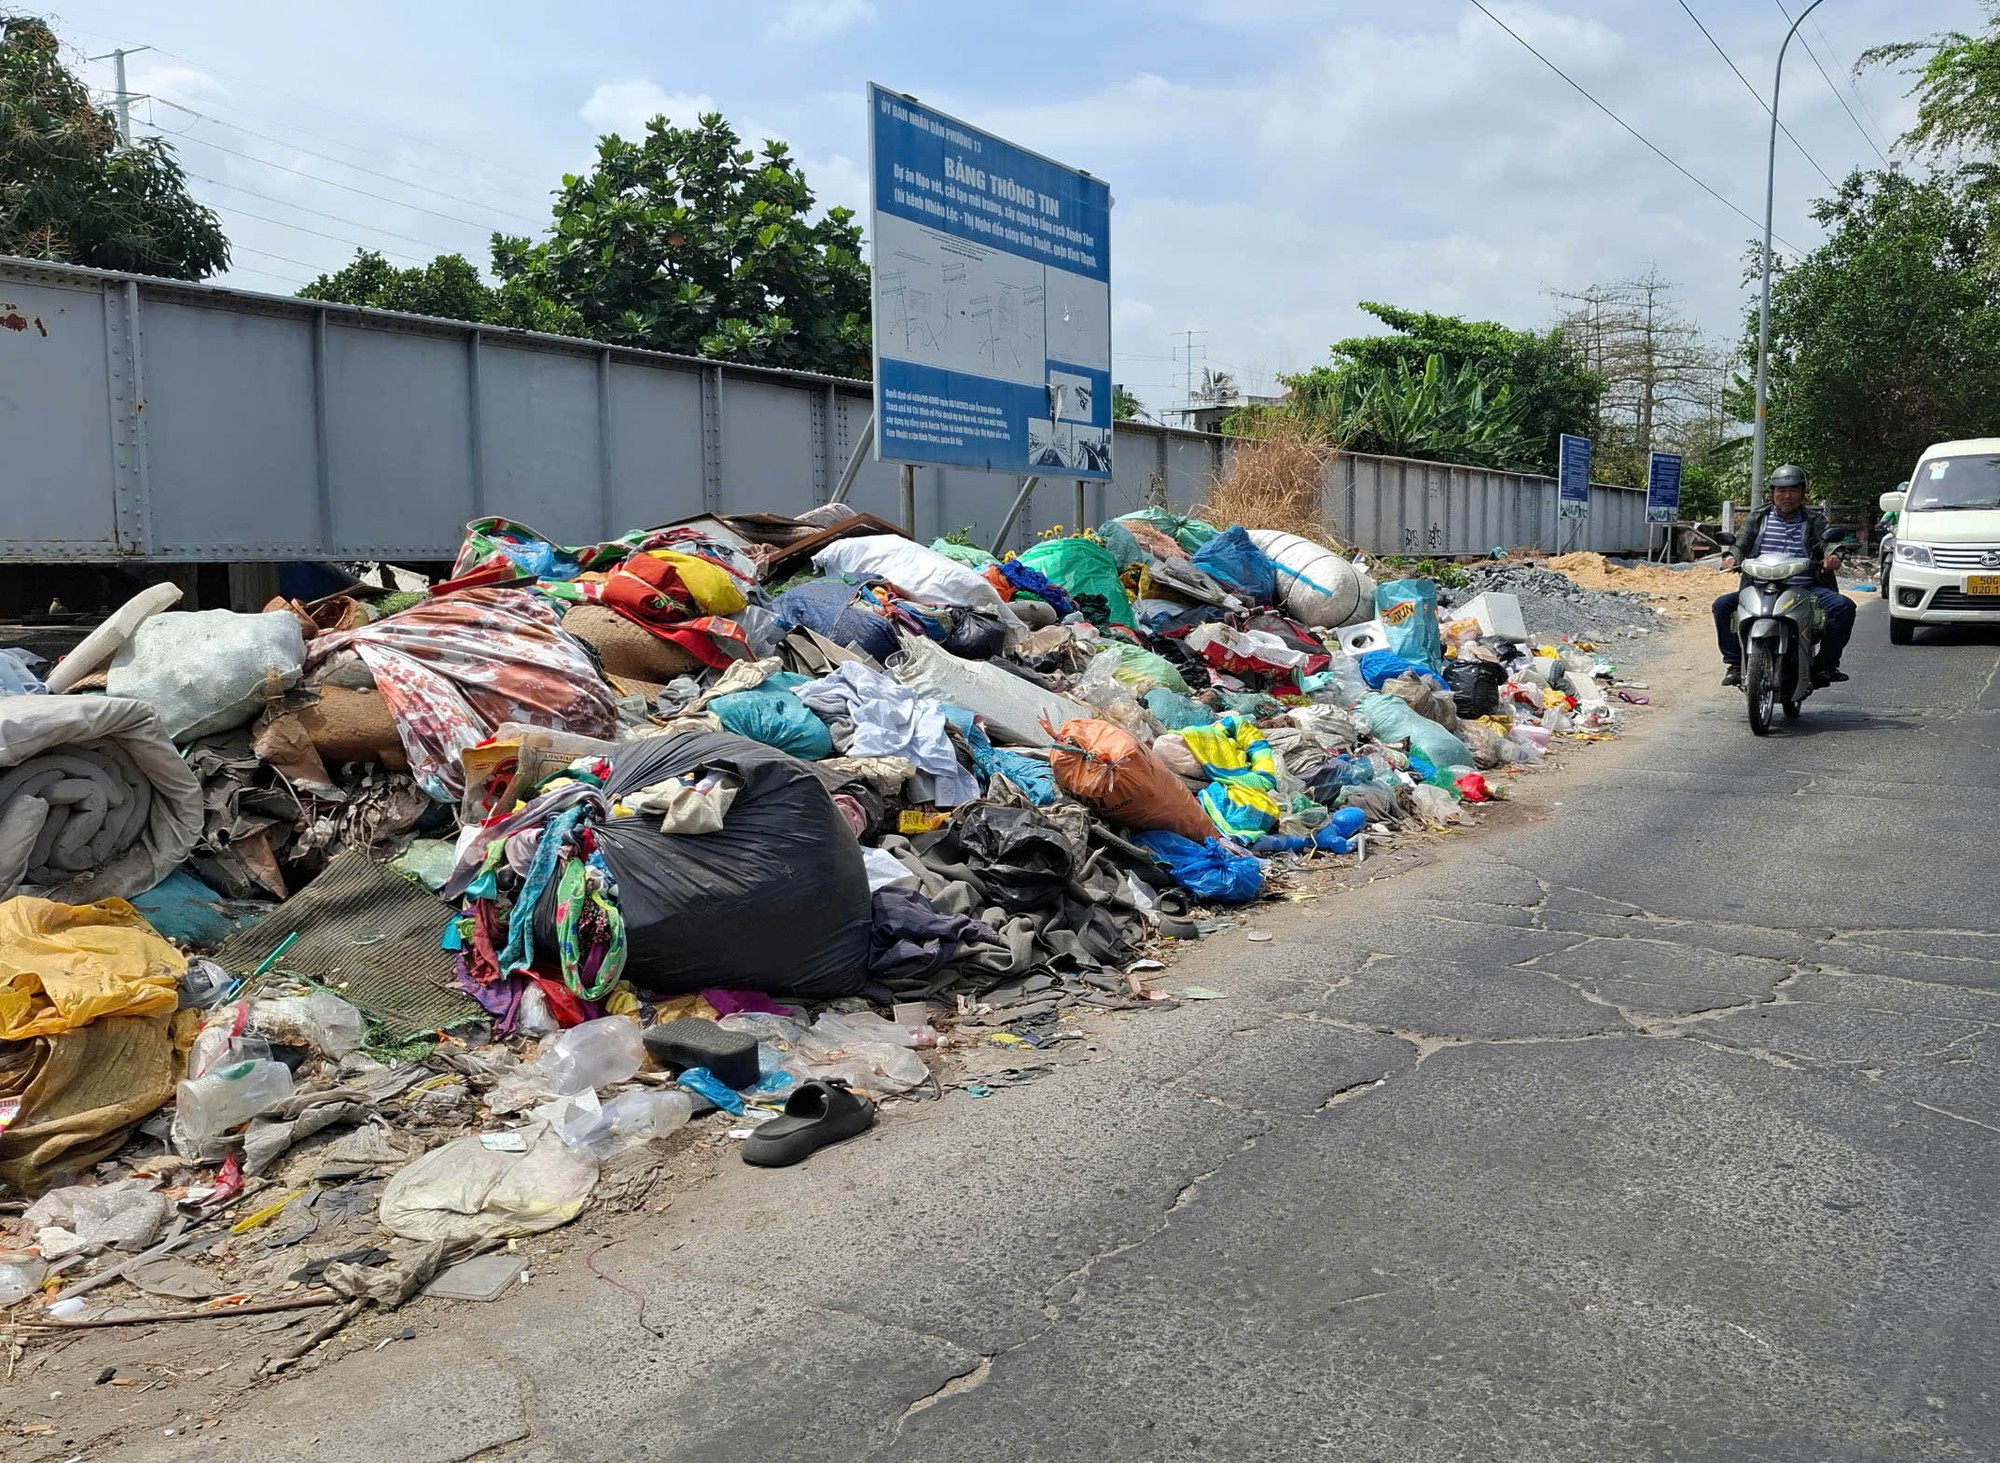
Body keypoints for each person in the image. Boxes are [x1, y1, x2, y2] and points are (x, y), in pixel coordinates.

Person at [1712, 464, 1855, 688]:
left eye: (1793, 490)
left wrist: (1833, 556)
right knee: (1722, 606)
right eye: (1781, 490)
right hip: (1759, 586)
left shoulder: (1814, 520)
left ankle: (1826, 665)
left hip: (1805, 588)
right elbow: (1741, 543)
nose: (1787, 496)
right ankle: (1735, 664)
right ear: (1772, 493)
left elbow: (1829, 544)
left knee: (1843, 607)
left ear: (1802, 493)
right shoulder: (1758, 517)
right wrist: (1731, 557)